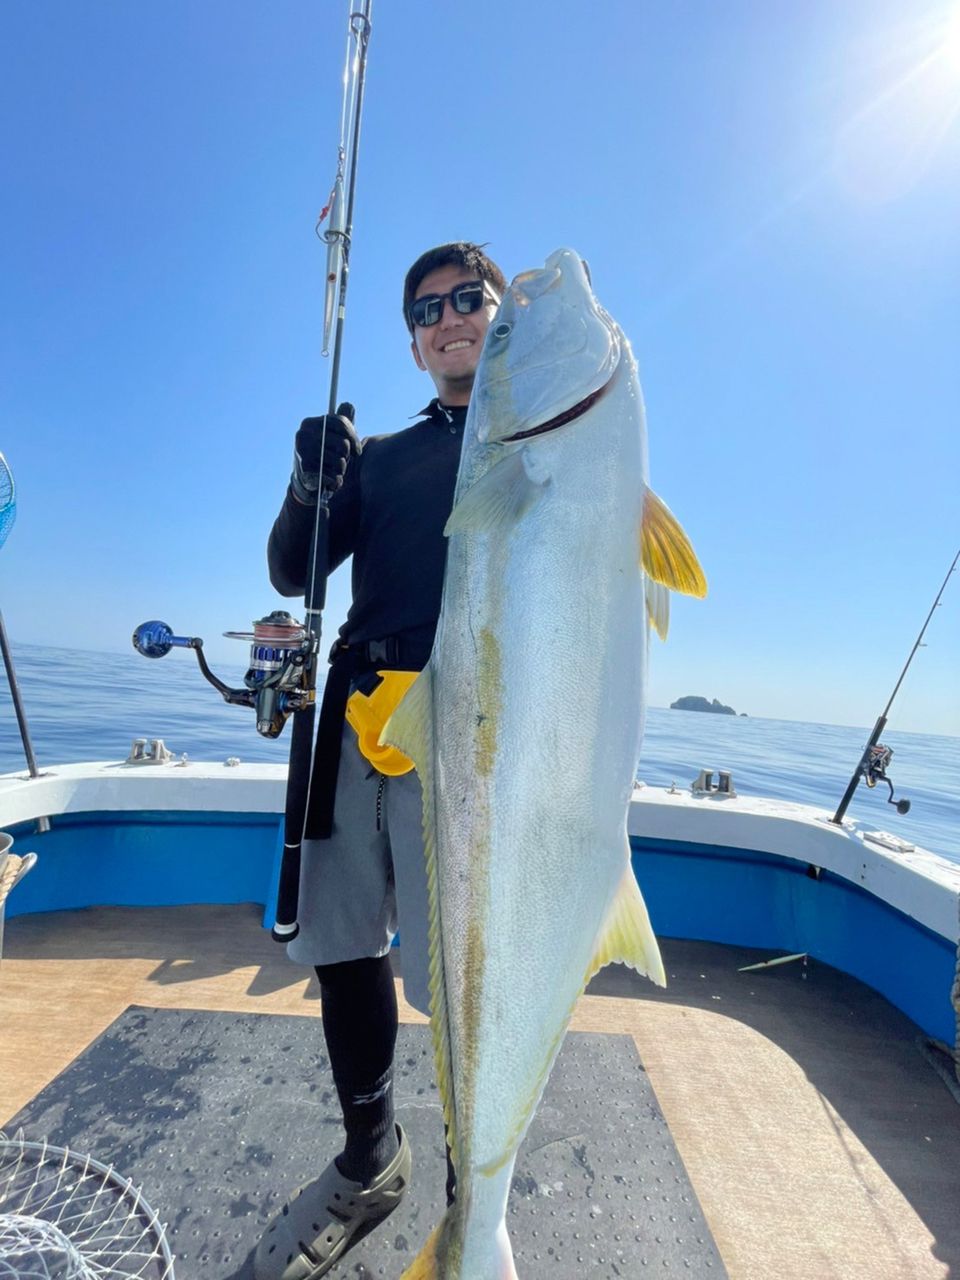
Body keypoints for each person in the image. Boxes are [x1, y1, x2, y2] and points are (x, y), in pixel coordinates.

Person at [254, 242, 509, 1280]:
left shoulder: (532, 436)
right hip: (362, 716)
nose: (448, 317)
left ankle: (470, 1188)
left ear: (500, 314)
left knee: (467, 972)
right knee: (345, 945)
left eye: (468, 298)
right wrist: (314, 480)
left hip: (470, 727)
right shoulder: (392, 455)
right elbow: (292, 562)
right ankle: (373, 1153)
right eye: (427, 309)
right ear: (412, 341)